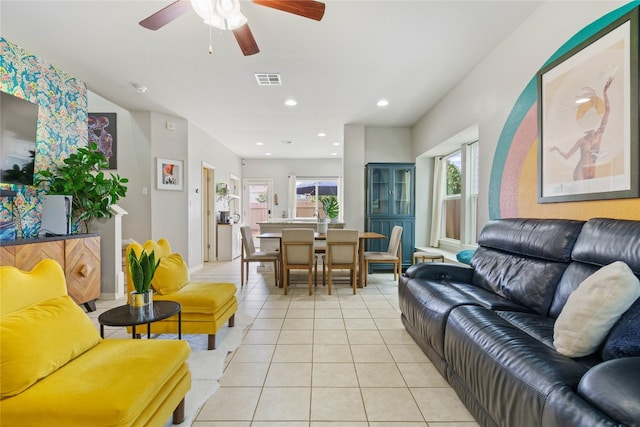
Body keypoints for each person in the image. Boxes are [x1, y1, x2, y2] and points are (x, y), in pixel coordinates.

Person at [548, 76, 613, 181]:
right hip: (579, 173)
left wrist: (604, 92)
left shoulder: (599, 133)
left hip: (591, 172)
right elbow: (567, 156)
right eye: (587, 116)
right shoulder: (581, 141)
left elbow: (607, 111)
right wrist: (556, 149)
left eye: (592, 115)